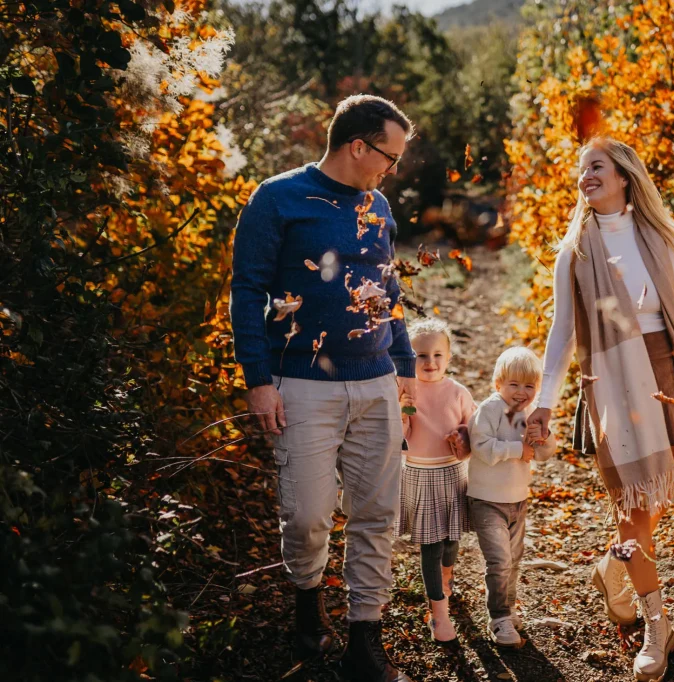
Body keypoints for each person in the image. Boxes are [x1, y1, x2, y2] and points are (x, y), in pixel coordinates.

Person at [526, 137, 674, 682]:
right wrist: (544, 403)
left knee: (655, 501)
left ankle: (612, 567)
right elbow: (562, 332)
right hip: (613, 384)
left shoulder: (663, 240)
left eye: (596, 166)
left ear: (624, 176)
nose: (585, 176)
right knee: (633, 509)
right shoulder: (574, 252)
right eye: (581, 170)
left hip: (667, 374)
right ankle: (656, 627)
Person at [230, 94, 417, 682]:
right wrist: (258, 380)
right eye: (390, 157)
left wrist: (405, 360)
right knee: (308, 515)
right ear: (358, 146)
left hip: (375, 379)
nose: (393, 170)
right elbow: (247, 290)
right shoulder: (278, 198)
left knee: (377, 514)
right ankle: (308, 599)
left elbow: (387, 287)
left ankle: (365, 637)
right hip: (302, 384)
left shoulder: (377, 206)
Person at [467, 346, 556, 648]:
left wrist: (544, 436)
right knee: (500, 560)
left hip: (518, 498)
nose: (521, 392)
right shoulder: (490, 410)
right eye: (514, 384)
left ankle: (509, 607)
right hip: (487, 498)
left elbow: (542, 453)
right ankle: (498, 617)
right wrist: (519, 449)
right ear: (498, 384)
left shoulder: (530, 414)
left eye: (529, 386)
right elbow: (482, 447)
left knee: (514, 559)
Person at [395, 318, 475, 645]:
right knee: (431, 545)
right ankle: (438, 612)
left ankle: (447, 573)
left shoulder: (458, 392)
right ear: (408, 359)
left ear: (449, 357)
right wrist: (402, 413)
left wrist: (463, 436)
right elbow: (401, 437)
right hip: (419, 473)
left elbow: (474, 429)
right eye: (421, 355)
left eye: (437, 355)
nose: (430, 362)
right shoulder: (406, 391)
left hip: (452, 473)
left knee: (452, 540)